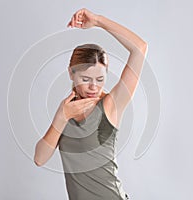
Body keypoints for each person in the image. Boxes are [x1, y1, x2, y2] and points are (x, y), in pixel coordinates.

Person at [34, 8, 148, 200]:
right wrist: (61, 118)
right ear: (71, 73)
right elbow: (39, 158)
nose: (93, 87)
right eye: (86, 79)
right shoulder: (66, 111)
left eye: (100, 79)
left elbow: (140, 48)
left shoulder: (111, 104)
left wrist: (98, 21)